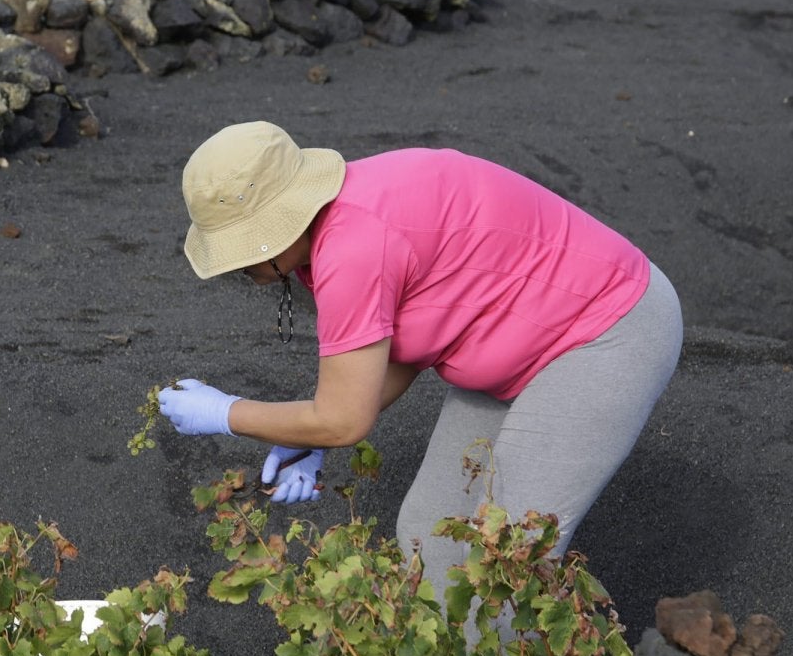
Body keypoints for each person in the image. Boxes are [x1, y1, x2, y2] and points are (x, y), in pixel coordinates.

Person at [156, 120, 682, 592]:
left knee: (511, 558)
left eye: (243, 251)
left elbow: (344, 418)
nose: (239, 271)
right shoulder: (334, 222)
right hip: (525, 335)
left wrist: (225, 414)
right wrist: (303, 435)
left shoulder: (353, 246)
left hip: (607, 329)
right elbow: (399, 351)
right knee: (431, 533)